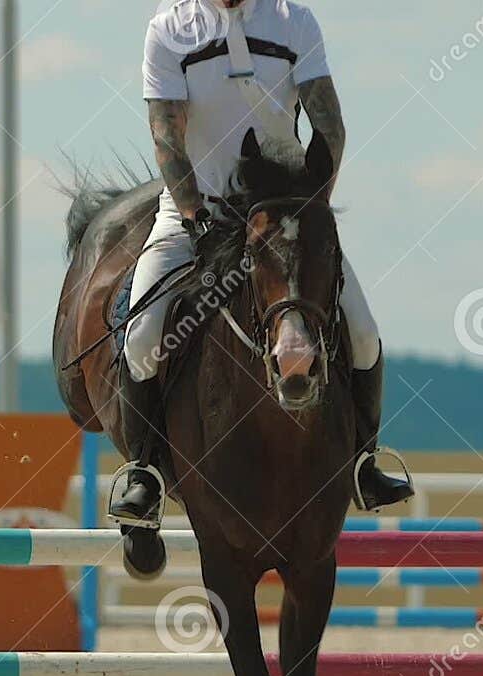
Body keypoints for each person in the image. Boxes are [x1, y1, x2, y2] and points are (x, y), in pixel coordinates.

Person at [110, 0, 414, 523]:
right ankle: (145, 473)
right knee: (141, 337)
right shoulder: (168, 29)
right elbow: (167, 137)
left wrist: (309, 208)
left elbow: (329, 126)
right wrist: (194, 216)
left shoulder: (295, 20)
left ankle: (363, 460)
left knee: (361, 333)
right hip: (195, 211)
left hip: (282, 214)